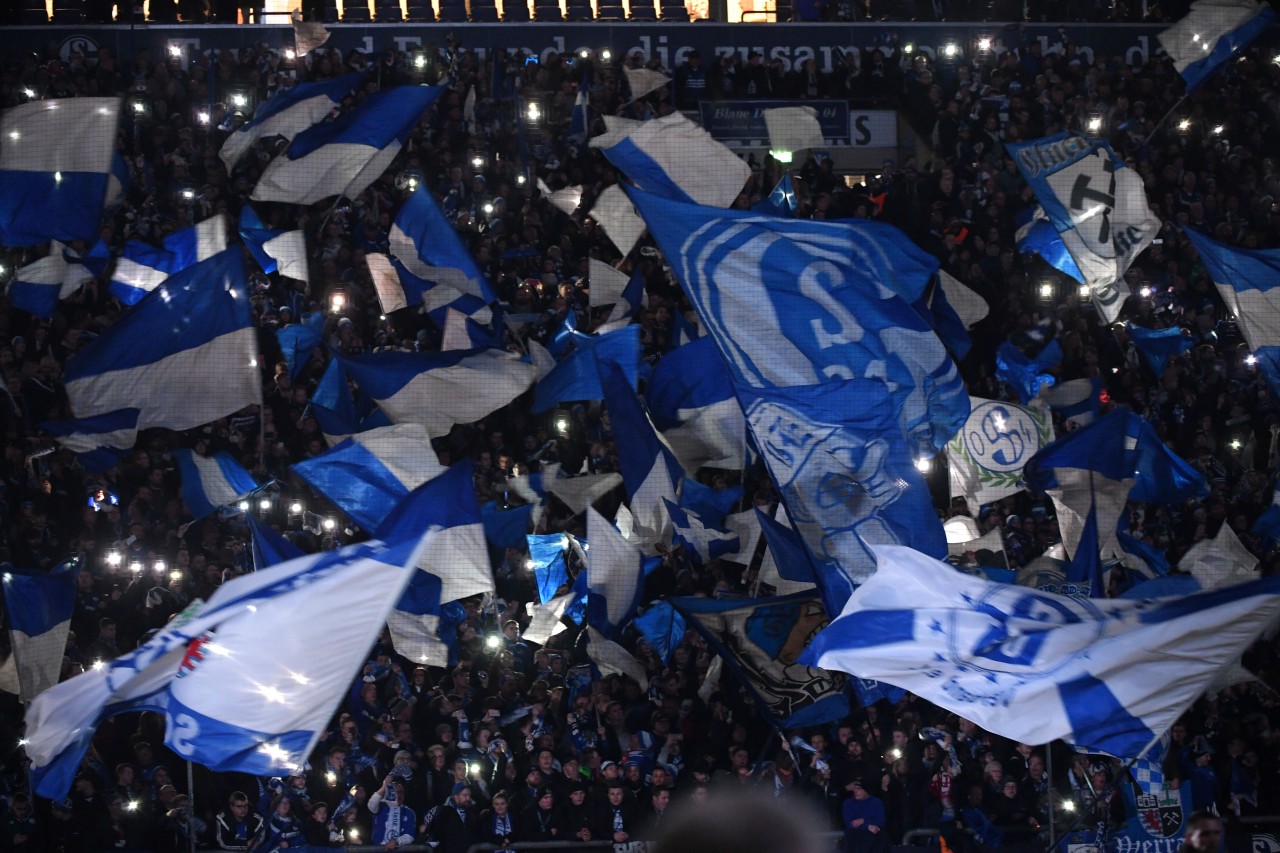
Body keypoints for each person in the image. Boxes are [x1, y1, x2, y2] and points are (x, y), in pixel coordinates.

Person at [843, 778, 888, 853]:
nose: (855, 791)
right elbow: (850, 823)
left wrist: (863, 821)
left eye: (859, 789)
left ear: (867, 790)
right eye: (854, 788)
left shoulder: (876, 802)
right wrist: (867, 826)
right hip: (854, 842)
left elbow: (880, 822)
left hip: (874, 843)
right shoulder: (848, 803)